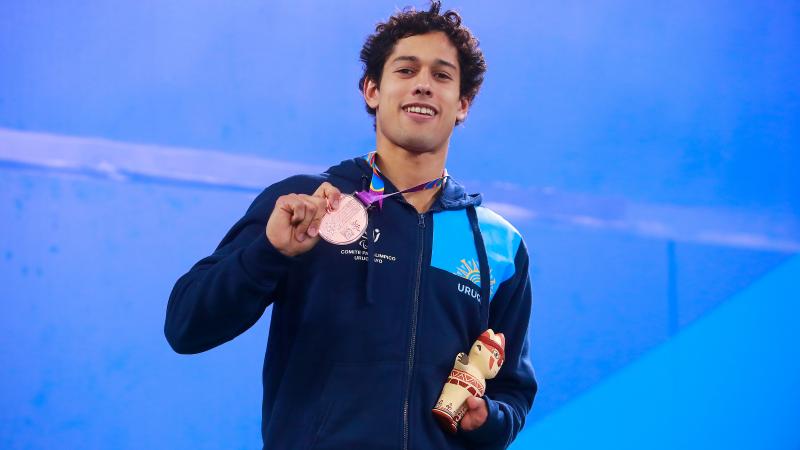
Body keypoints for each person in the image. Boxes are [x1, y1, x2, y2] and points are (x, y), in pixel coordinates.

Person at [164, 2, 537, 449]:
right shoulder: (307, 205)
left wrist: (489, 419)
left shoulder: (498, 244)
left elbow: (512, 391)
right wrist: (268, 252)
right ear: (372, 90)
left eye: (441, 76)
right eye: (406, 70)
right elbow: (186, 326)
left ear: (462, 104)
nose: (423, 85)